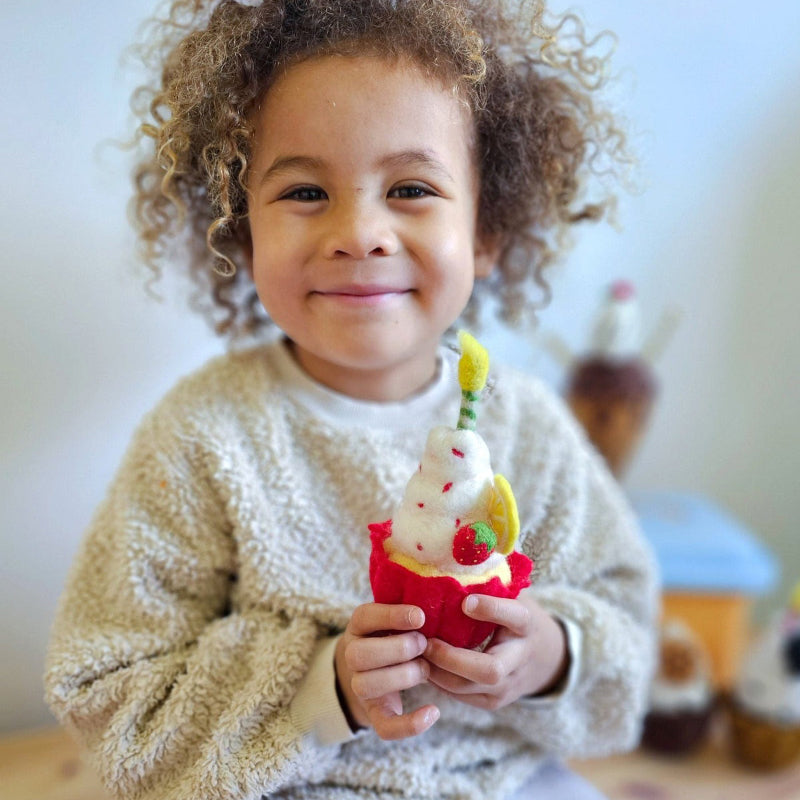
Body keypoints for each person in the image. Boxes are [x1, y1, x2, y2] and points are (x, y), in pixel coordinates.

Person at [44, 1, 658, 799]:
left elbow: (624, 628)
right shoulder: (203, 437)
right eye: (304, 192)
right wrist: (321, 687)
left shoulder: (527, 425)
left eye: (409, 186)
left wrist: (550, 655)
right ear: (242, 231)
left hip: (496, 779)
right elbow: (107, 686)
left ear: (485, 233)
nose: (359, 232)